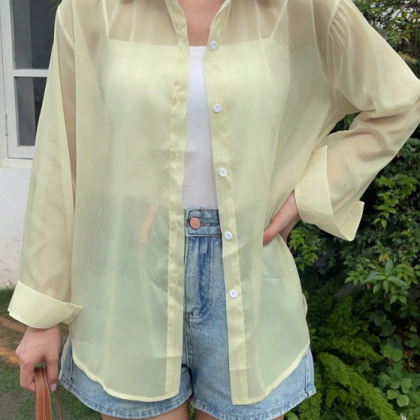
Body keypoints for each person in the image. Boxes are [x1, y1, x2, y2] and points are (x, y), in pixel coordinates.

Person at [8, 0, 420, 419]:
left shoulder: (301, 7)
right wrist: (43, 314)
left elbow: (400, 101)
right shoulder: (92, 9)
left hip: (251, 276)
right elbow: (60, 158)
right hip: (130, 282)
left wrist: (308, 194)